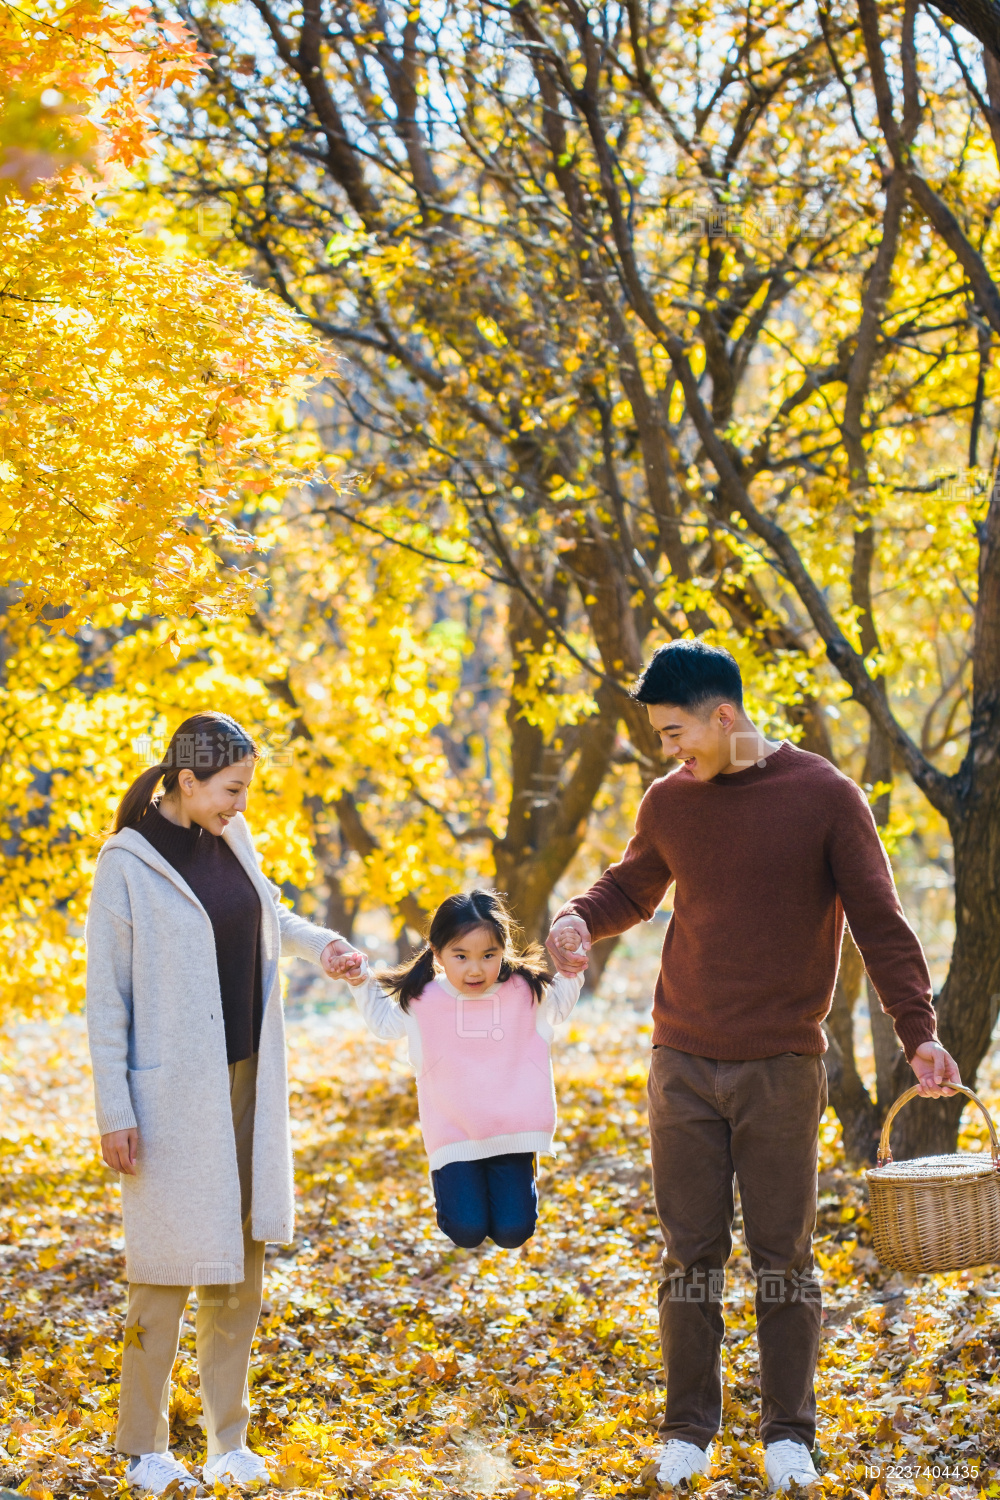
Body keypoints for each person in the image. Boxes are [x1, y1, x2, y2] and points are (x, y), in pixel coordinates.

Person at [545, 640, 960, 1494]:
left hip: (780, 1065)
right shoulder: (671, 801)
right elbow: (632, 886)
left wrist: (916, 1029)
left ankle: (788, 1436)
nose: (668, 750)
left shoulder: (825, 796)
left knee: (784, 1256)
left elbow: (881, 921)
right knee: (689, 1254)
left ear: (723, 715)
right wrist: (579, 918)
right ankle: (688, 1428)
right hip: (682, 1061)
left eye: (674, 732)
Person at [86, 712, 361, 1495]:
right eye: (231, 789)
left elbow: (270, 911)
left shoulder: (233, 840)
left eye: (246, 789)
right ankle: (144, 1449)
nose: (241, 803)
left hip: (246, 1077)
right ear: (187, 782)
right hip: (170, 1095)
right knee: (165, 1270)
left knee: (241, 1264)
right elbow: (107, 1001)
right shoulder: (127, 865)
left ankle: (226, 1442)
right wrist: (116, 1110)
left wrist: (324, 946)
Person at [332, 890, 583, 1248]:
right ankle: (456, 1189)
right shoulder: (425, 999)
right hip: (454, 1136)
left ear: (504, 949)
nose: (475, 968)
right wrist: (360, 980)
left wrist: (572, 966)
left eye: (489, 955)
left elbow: (559, 1003)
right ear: (437, 954)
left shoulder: (523, 991)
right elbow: (385, 1025)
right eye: (460, 956)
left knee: (514, 1232)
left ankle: (514, 1182)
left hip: (512, 1133)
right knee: (466, 1230)